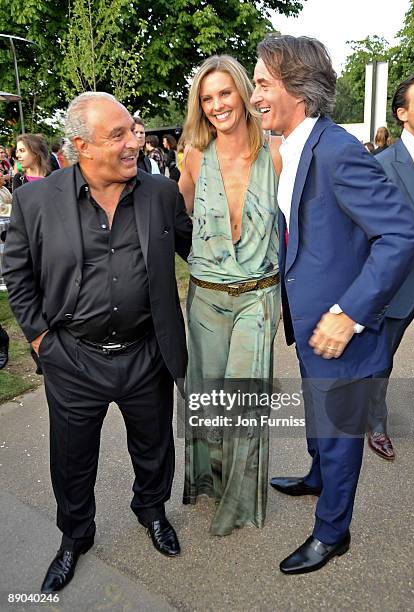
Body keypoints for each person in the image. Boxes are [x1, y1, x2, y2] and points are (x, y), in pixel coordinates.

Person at [4, 92, 192, 592]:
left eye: (134, 129)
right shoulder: (35, 200)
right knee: (71, 458)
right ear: (81, 146)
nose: (136, 141)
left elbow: (199, 250)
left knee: (154, 448)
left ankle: (151, 511)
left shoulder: (161, 194)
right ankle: (74, 536)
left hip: (146, 353)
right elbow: (17, 274)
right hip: (73, 358)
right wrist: (42, 340)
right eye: (120, 135)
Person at [251, 35, 414, 574]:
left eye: (261, 83)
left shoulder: (339, 151)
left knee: (340, 432)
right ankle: (317, 476)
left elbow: (401, 235)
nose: (254, 95)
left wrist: (349, 313)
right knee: (320, 419)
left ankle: (332, 532)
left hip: (341, 329)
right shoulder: (299, 145)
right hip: (310, 327)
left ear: (296, 89)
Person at [179, 55, 282, 536]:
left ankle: (239, 499)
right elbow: (186, 223)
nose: (218, 104)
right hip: (206, 300)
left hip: (257, 297)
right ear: (200, 106)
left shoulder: (276, 155)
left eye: (225, 93)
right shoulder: (193, 158)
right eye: (207, 97)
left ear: (243, 93)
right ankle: (211, 481)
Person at [368, 73, 414, 459]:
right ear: (402, 113)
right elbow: (373, 227)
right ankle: (375, 425)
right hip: (397, 281)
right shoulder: (382, 164)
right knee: (379, 361)